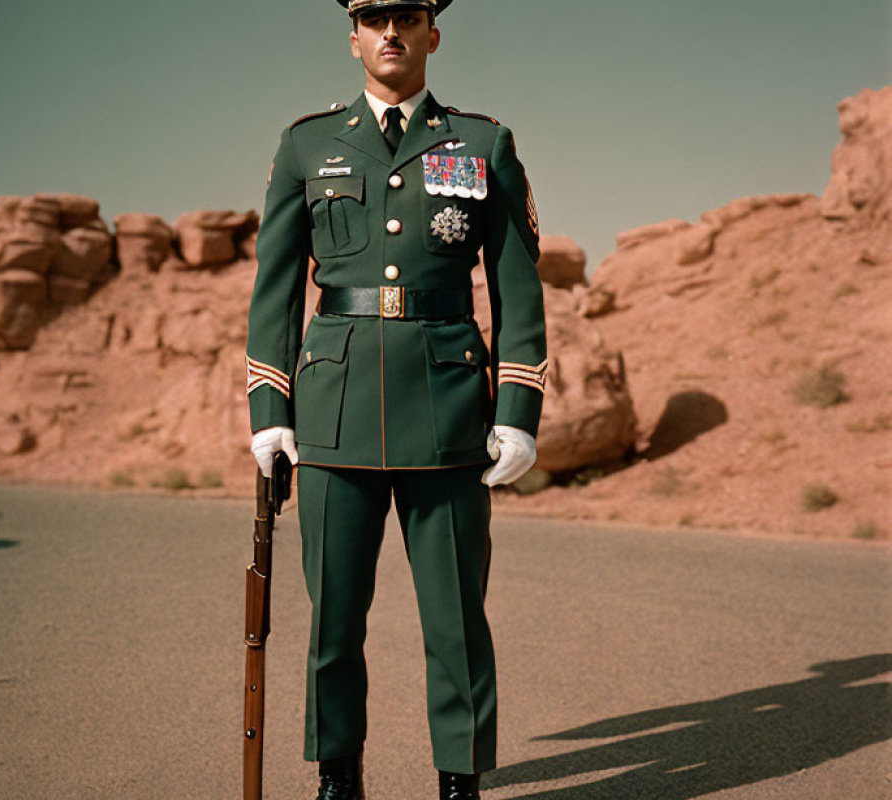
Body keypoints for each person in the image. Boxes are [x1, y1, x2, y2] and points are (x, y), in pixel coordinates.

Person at [244, 1, 546, 797]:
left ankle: (460, 783)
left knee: (454, 623)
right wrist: (269, 413)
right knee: (334, 622)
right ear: (353, 38)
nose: (390, 33)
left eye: (406, 17)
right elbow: (274, 291)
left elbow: (518, 291)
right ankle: (338, 779)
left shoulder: (481, 143)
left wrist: (515, 414)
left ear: (431, 34)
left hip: (447, 410)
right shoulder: (307, 144)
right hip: (334, 411)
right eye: (374, 18)